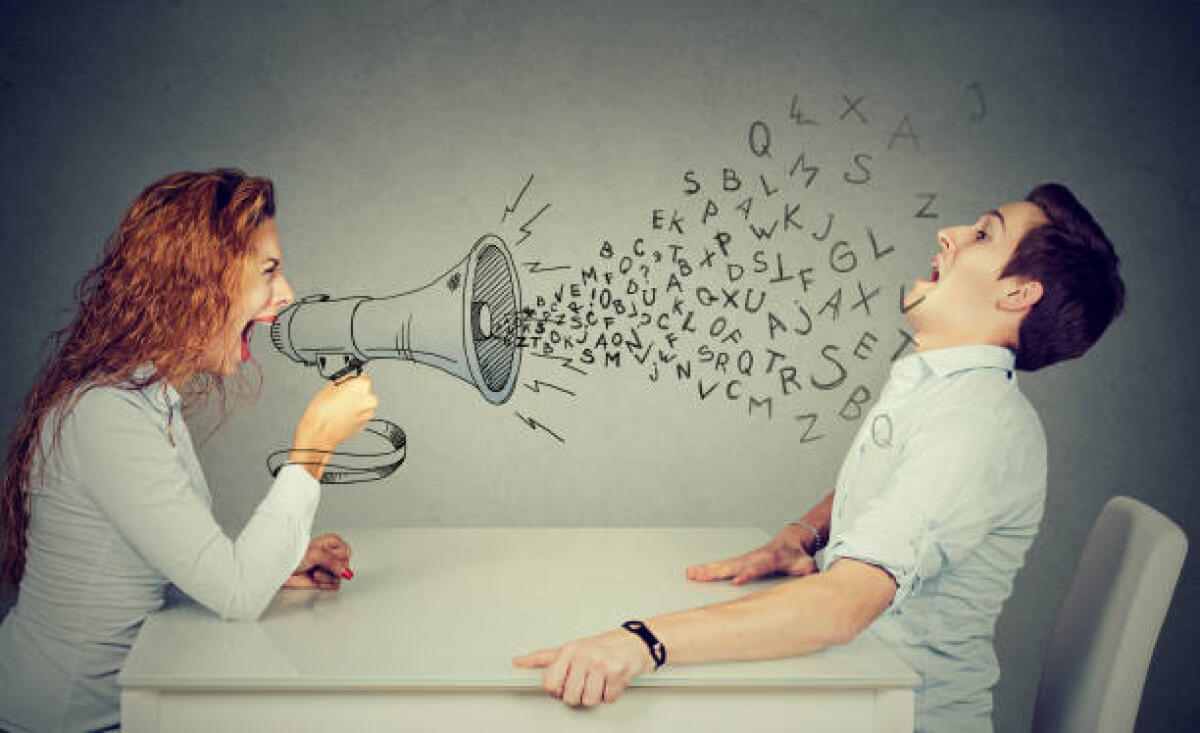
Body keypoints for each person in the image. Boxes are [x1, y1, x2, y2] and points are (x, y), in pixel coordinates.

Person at [513, 183, 1126, 732]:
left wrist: (639, 642)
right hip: (849, 691)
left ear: (1018, 291)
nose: (950, 234)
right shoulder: (945, 387)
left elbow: (839, 608)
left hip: (892, 716)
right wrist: (802, 535)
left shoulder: (975, 428)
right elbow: (898, 487)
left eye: (983, 234)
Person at [0, 169, 378, 732]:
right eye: (269, 270)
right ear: (197, 279)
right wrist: (314, 444)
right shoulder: (105, 417)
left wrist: (274, 564)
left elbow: (161, 562)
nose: (288, 294)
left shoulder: (149, 402)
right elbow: (235, 592)